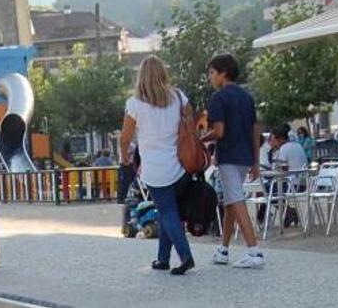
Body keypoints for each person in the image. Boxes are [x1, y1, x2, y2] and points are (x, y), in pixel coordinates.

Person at [119, 55, 195, 275]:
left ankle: (185, 256)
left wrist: (125, 157)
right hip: (181, 166)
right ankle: (163, 259)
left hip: (155, 170)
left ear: (141, 77)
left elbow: (125, 138)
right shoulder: (179, 97)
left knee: (168, 211)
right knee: (164, 212)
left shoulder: (135, 105)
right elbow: (190, 124)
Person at [201, 53, 265, 269]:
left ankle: (254, 250)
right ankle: (224, 249)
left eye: (211, 72)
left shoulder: (219, 98)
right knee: (230, 202)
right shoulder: (247, 97)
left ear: (223, 73)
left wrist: (199, 139)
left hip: (228, 155)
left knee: (236, 200)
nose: (210, 77)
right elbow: (255, 131)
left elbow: (219, 131)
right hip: (246, 155)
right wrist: (255, 162)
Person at [269, 124, 308, 227]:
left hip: (293, 184)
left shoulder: (284, 148)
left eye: (275, 140)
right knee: (274, 190)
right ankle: (289, 213)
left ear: (280, 139)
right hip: (304, 183)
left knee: (270, 191)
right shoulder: (298, 145)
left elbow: (281, 170)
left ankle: (289, 213)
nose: (274, 143)